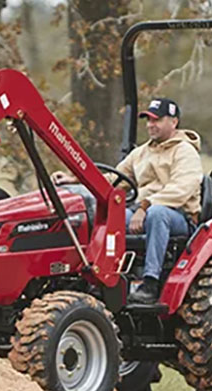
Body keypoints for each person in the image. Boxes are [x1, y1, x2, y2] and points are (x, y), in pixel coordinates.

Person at [51, 97, 203, 305]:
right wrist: (74, 180)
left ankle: (150, 282)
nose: (151, 125)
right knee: (104, 218)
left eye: (157, 120)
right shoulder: (141, 153)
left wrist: (145, 205)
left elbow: (181, 189)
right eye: (148, 120)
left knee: (157, 214)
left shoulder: (185, 152)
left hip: (178, 216)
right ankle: (97, 277)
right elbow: (115, 179)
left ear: (174, 122)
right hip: (143, 212)